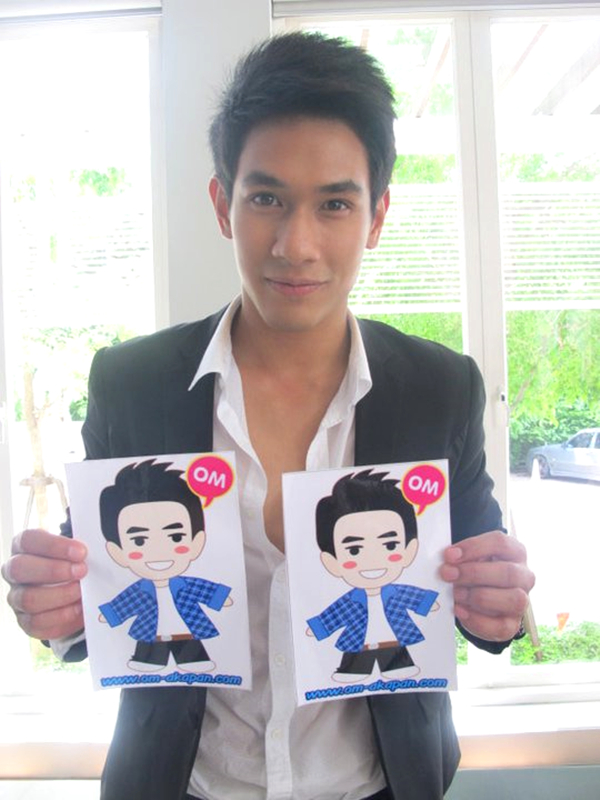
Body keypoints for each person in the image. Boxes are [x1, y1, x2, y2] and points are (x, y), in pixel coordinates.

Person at [1, 31, 535, 800]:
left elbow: (477, 583)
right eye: (266, 199)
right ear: (223, 204)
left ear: (376, 216)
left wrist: (496, 605)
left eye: (335, 204)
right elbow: (96, 589)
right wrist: (55, 606)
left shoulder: (439, 387)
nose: (296, 244)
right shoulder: (134, 383)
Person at [98, 459, 232, 674]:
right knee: (149, 644)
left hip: (186, 628)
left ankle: (193, 661)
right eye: (139, 541)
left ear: (196, 542)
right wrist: (110, 613)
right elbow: (125, 602)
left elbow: (203, 589)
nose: (159, 550)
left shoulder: (186, 585)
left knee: (188, 644)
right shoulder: (140, 589)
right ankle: (148, 662)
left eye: (175, 537)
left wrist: (220, 597)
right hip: (152, 635)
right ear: (117, 552)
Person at [307, 469, 439, 683]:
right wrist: (319, 628)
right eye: (354, 550)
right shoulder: (351, 600)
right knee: (355, 660)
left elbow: (413, 596)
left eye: (389, 545)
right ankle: (353, 671)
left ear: (409, 550)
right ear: (332, 562)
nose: (372, 559)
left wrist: (430, 603)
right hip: (358, 643)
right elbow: (335, 613)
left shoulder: (396, 593)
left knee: (396, 658)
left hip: (393, 643)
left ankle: (399, 667)